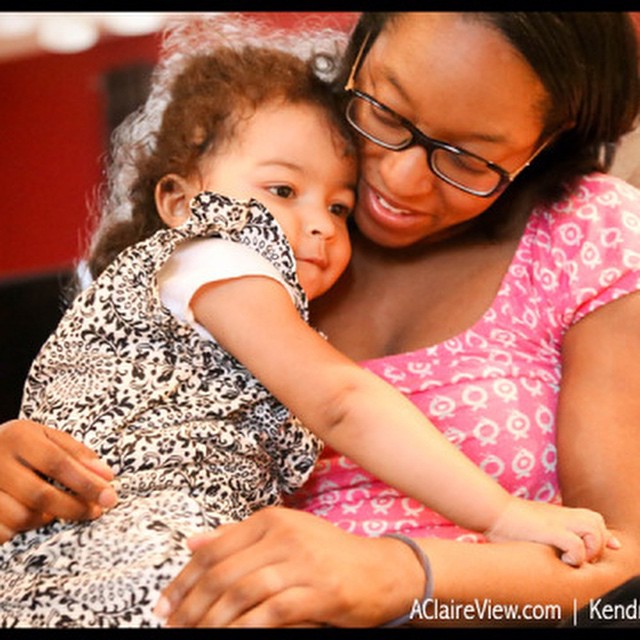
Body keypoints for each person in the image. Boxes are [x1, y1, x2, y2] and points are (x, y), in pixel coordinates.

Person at [0, 10, 638, 628]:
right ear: (359, 54)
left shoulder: (589, 235)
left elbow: (626, 570)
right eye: (386, 111)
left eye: (468, 158)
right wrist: (24, 475)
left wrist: (399, 578)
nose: (401, 180)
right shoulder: (255, 219)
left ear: (548, 142)